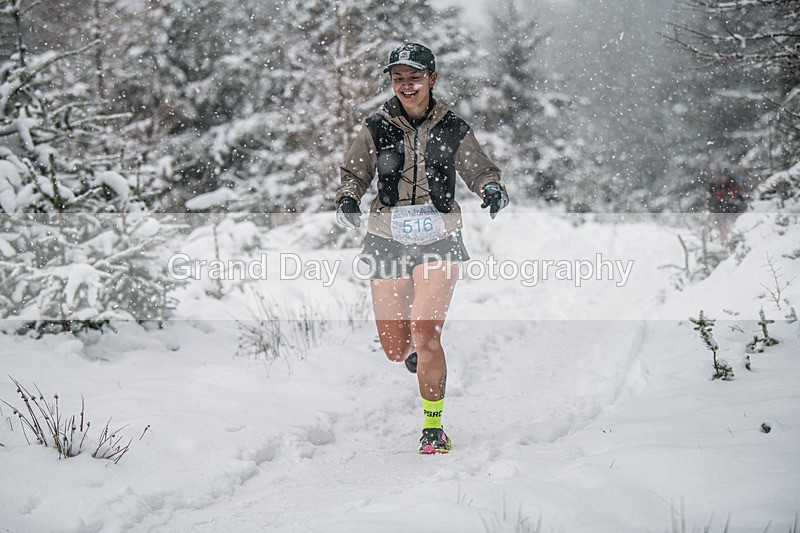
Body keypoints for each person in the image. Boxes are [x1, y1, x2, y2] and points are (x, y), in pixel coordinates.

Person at [334, 43, 509, 454]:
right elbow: (353, 172)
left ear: (432, 79)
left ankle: (434, 427)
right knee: (396, 347)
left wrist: (492, 187)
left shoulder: (454, 128)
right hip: (387, 237)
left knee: (427, 334)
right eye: (398, 79)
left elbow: (478, 167)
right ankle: (412, 352)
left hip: (439, 238)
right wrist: (347, 197)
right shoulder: (376, 127)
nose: (406, 86)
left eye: (414, 78)